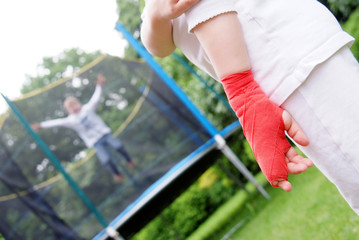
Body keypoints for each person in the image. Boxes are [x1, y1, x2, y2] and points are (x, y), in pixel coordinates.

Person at [141, 0, 359, 214]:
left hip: (288, 62)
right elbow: (160, 46)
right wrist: (154, 14)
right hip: (284, 68)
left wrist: (244, 94)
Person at [31, 74, 134, 182]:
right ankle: (116, 174)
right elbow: (57, 122)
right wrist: (41, 125)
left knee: (118, 146)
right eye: (70, 108)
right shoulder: (70, 120)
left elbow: (95, 98)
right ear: (68, 111)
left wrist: (99, 85)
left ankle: (128, 160)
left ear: (79, 103)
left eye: (74, 104)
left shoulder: (87, 109)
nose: (74, 108)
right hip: (95, 142)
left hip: (105, 134)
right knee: (106, 160)